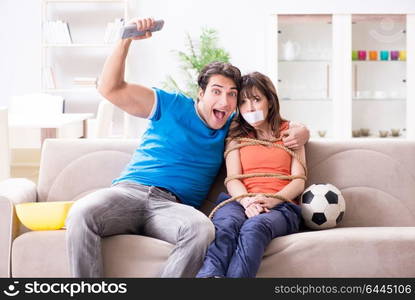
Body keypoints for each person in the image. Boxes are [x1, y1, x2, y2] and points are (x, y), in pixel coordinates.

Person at [65, 18, 310, 278]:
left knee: (202, 230)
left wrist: (302, 131)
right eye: (216, 91)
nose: (225, 101)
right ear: (201, 93)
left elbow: (267, 126)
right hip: (130, 192)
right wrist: (126, 39)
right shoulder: (168, 104)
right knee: (82, 213)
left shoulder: (234, 129)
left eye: (232, 94)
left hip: (173, 208)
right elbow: (110, 88)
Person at [196, 71, 307, 278]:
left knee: (255, 227)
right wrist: (248, 202)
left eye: (256, 99)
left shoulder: (291, 132)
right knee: (225, 226)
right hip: (239, 201)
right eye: (244, 102)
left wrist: (270, 201)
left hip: (281, 206)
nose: (251, 108)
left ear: (270, 102)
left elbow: (299, 180)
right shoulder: (236, 135)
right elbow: (233, 179)